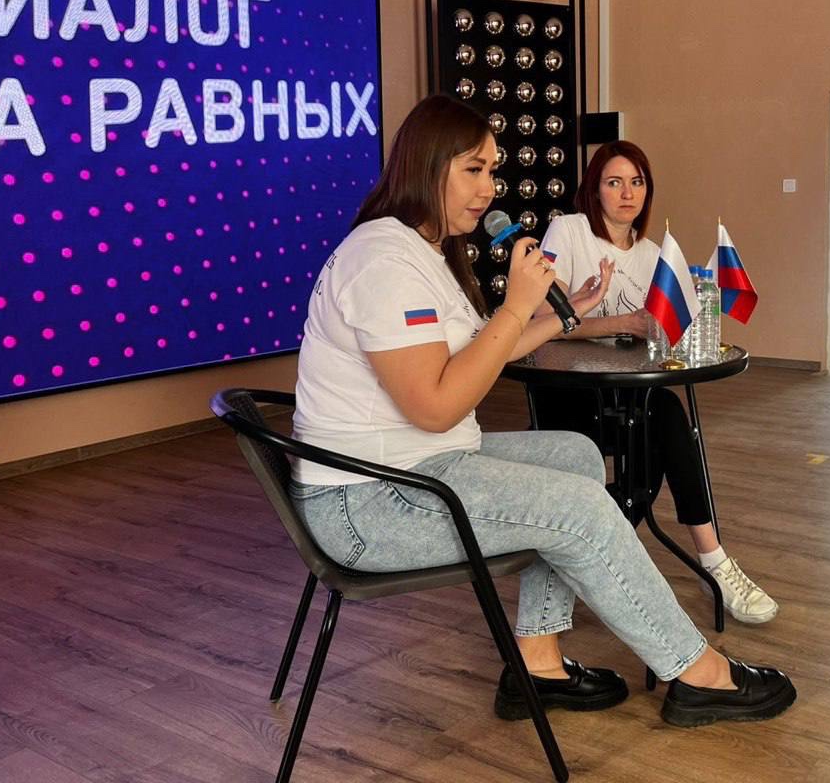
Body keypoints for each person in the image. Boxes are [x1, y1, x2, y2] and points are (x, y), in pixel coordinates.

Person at [288, 95, 795, 727]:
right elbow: (435, 408)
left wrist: (563, 314)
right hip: (368, 503)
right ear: (426, 165)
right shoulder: (383, 261)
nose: (488, 189)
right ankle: (697, 672)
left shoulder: (418, 250)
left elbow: (479, 353)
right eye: (473, 170)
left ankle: (539, 661)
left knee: (574, 454)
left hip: (411, 471)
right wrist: (514, 306)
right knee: (580, 507)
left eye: (492, 171)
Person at [534, 140, 780, 625]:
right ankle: (708, 561)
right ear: (595, 189)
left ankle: (659, 556)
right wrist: (624, 323)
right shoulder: (570, 230)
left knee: (663, 421)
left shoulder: (652, 255)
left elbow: (664, 330)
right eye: (614, 182)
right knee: (665, 420)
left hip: (626, 392)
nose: (627, 193)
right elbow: (544, 319)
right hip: (566, 392)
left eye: (637, 182)